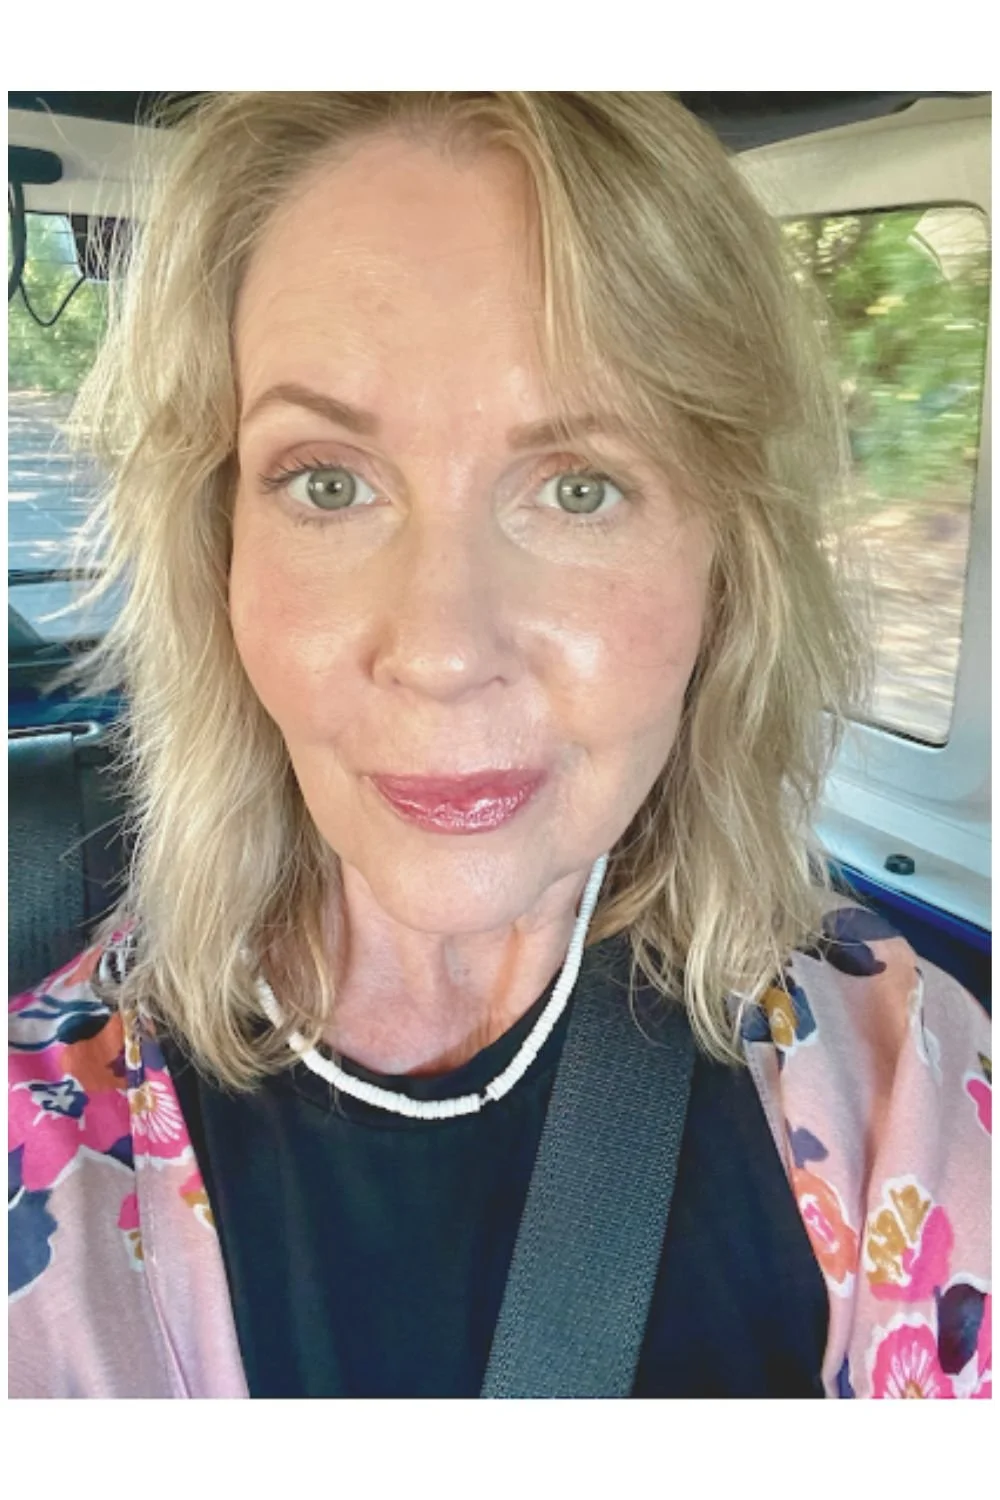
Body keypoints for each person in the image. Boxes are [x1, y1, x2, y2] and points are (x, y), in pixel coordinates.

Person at [8, 91, 990, 1400]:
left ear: (726, 568)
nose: (440, 648)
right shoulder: (43, 1138)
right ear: (220, 552)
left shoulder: (902, 1084)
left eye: (578, 487)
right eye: (327, 482)